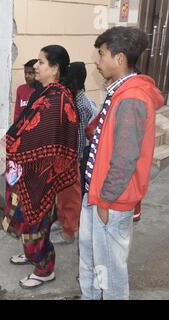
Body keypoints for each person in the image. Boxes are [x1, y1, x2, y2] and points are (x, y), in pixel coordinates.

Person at [79, 26, 164, 300]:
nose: (97, 60)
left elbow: (125, 159)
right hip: (97, 194)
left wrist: (106, 200)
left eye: (101, 54)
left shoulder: (131, 98)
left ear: (119, 58)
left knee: (111, 273)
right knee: (92, 261)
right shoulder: (119, 92)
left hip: (110, 201)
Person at [3, 45, 79, 288]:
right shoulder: (45, 93)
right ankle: (30, 254)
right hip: (33, 170)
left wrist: (13, 145)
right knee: (28, 216)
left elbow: (41, 136)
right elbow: (25, 124)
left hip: (41, 175)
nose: (35, 66)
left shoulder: (56, 98)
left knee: (36, 218)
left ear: (55, 69)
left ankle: (45, 268)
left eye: (41, 62)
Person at [51, 62, 98, 244]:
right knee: (62, 195)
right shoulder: (73, 99)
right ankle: (63, 223)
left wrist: (71, 160)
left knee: (70, 197)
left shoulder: (81, 104)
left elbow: (78, 136)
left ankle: (69, 232)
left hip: (71, 158)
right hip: (64, 156)